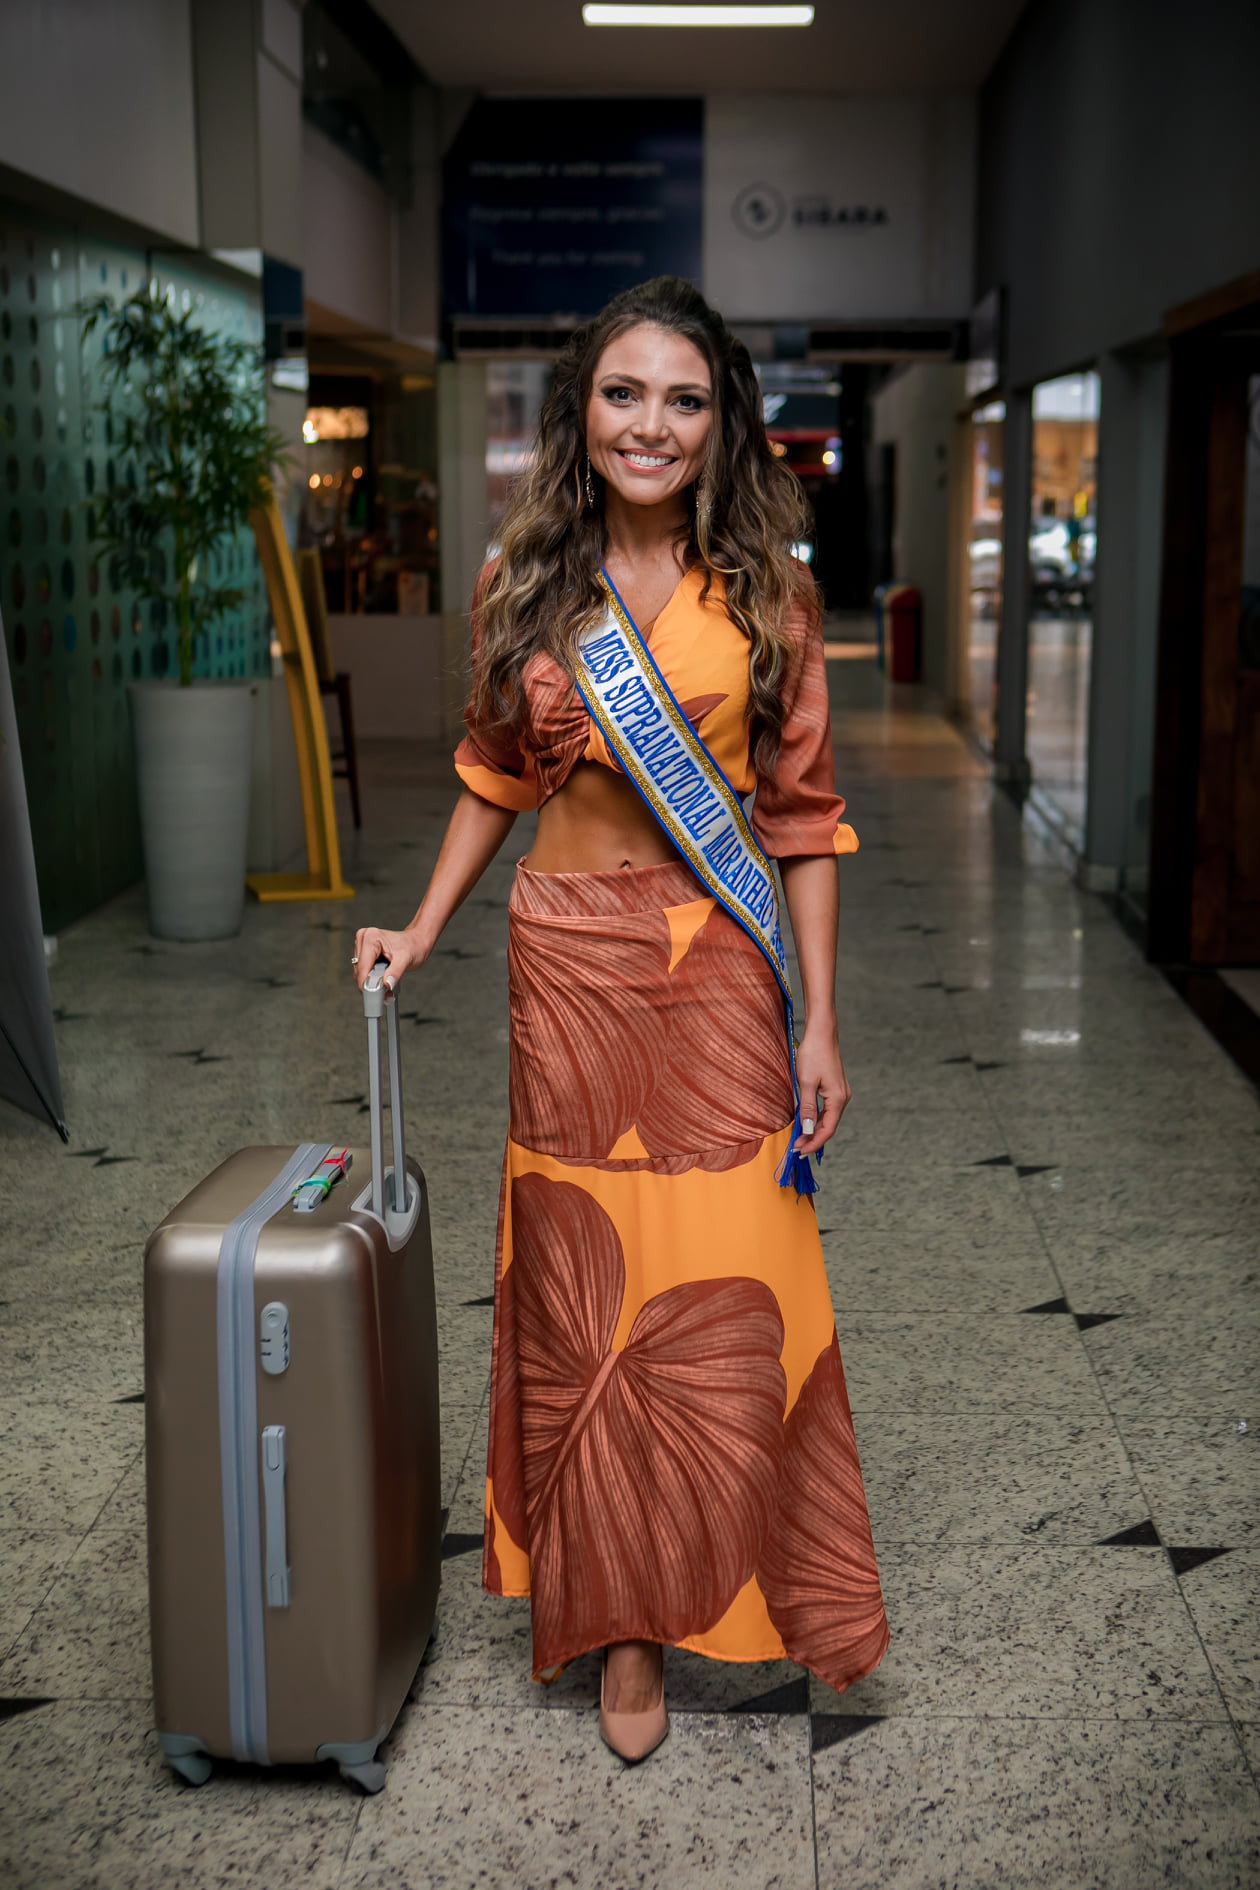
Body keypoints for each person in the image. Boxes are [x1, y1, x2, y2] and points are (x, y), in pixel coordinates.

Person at [353, 276, 888, 1765]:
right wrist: (422, 925)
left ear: (723, 424)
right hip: (570, 977)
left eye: (686, 398)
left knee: (731, 1290)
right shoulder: (523, 582)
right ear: (580, 412)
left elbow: (801, 823)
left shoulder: (769, 595)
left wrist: (820, 1023)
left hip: (718, 976)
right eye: (624, 393)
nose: (651, 424)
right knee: (591, 1306)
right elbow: (490, 769)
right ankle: (628, 1626)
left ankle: (755, 1583)